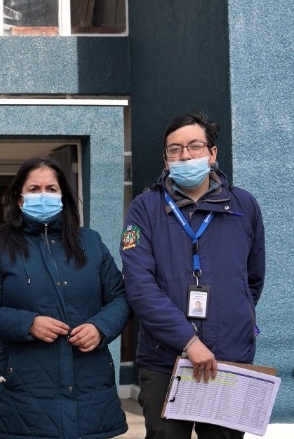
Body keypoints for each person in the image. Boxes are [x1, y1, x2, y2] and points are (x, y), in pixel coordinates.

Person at [121, 112, 265, 439]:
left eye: (194, 146)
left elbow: (252, 280)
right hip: (164, 360)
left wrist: (231, 318)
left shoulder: (244, 205)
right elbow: (140, 287)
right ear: (166, 159)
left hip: (228, 359)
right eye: (175, 150)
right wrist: (188, 340)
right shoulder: (144, 208)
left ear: (212, 154)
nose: (185, 155)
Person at [0, 156, 130, 439]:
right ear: (19, 199)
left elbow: (121, 297)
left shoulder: (90, 242)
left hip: (90, 395)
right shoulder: (0, 246)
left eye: (51, 189)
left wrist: (100, 327)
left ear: (63, 196)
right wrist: (27, 323)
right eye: (34, 189)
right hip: (27, 397)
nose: (43, 195)